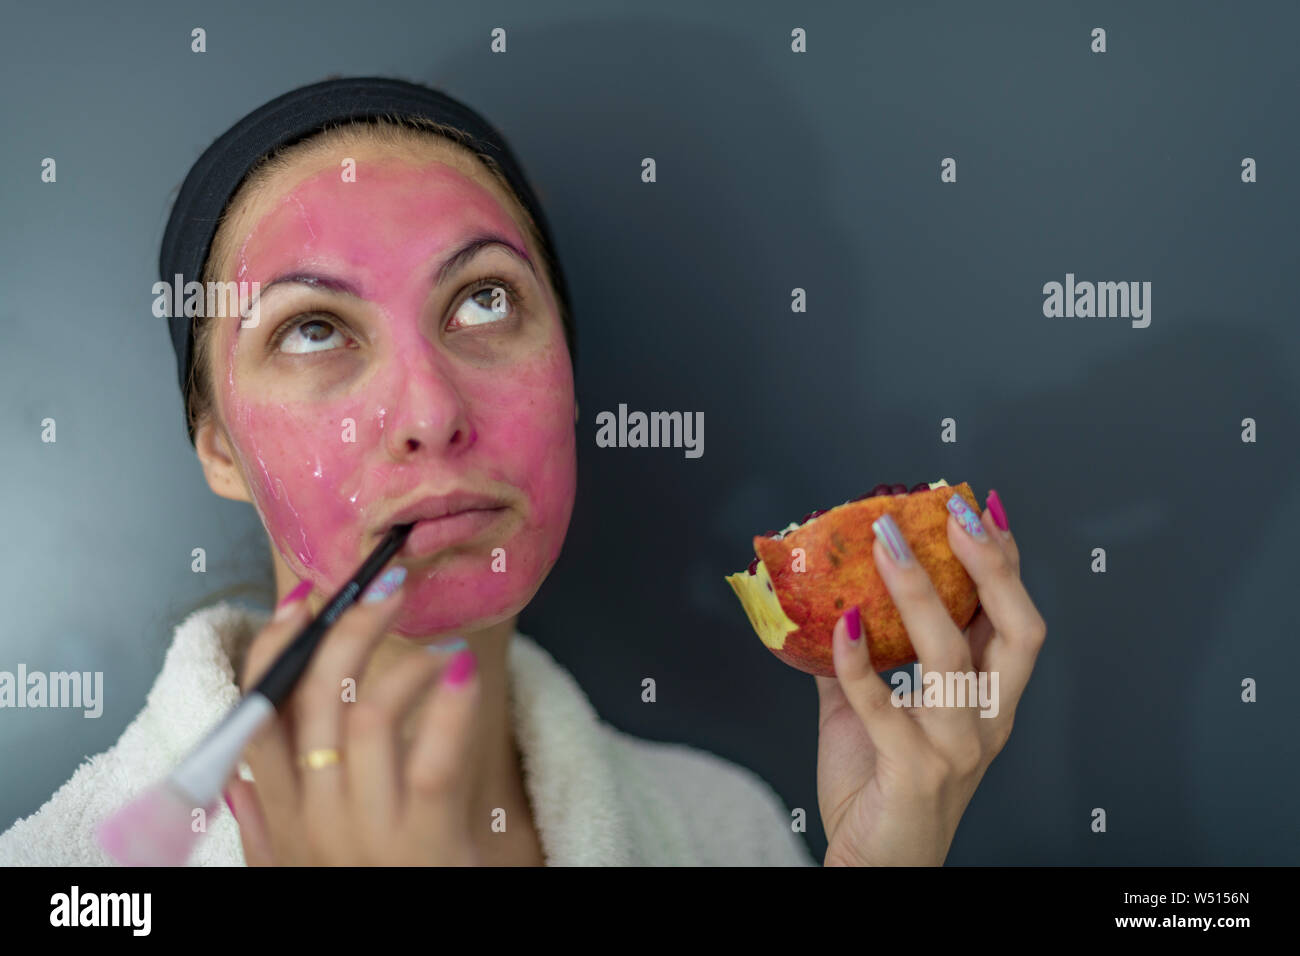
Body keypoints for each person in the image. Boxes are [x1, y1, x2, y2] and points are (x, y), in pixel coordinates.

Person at [0, 76, 1047, 866]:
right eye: (314, 328)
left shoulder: (723, 829)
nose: (430, 412)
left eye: (485, 302)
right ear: (217, 445)